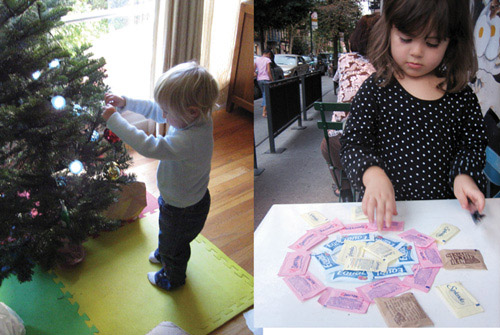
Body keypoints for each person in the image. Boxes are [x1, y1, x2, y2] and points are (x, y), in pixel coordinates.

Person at [340, 0, 488, 230]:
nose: (417, 52)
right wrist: (373, 176)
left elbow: (472, 144)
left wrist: (464, 175)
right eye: (406, 39)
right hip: (389, 217)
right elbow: (354, 143)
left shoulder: (460, 95)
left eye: (432, 43)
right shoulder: (377, 88)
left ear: (452, 42)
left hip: (444, 218)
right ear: (388, 31)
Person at [102, 61, 219, 290]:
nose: (162, 114)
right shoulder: (193, 117)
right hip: (180, 199)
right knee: (169, 233)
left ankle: (172, 277)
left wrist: (115, 121)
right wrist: (127, 103)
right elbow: (157, 110)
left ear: (191, 111)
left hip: (184, 207)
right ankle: (166, 249)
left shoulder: (190, 140)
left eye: (168, 111)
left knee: (175, 245)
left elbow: (148, 146)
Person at [320, 13, 379, 200]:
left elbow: (337, 80)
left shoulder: (344, 60)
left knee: (326, 146)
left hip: (337, 142)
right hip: (376, 144)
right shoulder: (387, 64)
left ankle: (343, 188)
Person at [254, 49, 273, 117]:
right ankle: (264, 112)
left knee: (264, 94)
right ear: (267, 53)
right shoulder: (267, 60)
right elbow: (268, 71)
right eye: (269, 55)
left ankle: (265, 109)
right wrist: (272, 79)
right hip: (266, 79)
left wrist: (256, 74)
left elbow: (253, 70)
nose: (269, 57)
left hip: (259, 79)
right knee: (266, 95)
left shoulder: (257, 59)